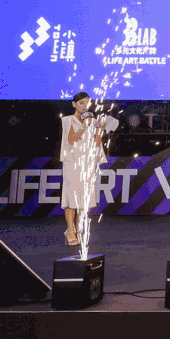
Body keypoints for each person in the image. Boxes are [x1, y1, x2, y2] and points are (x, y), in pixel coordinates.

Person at [59, 91, 109, 245]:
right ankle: (70, 230)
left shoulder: (93, 121)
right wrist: (83, 126)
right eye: (81, 103)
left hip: (87, 163)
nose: (84, 106)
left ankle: (80, 229)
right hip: (72, 163)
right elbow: (71, 140)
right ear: (74, 104)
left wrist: (100, 130)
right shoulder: (68, 120)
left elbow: (97, 143)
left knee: (83, 199)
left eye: (87, 103)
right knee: (71, 197)